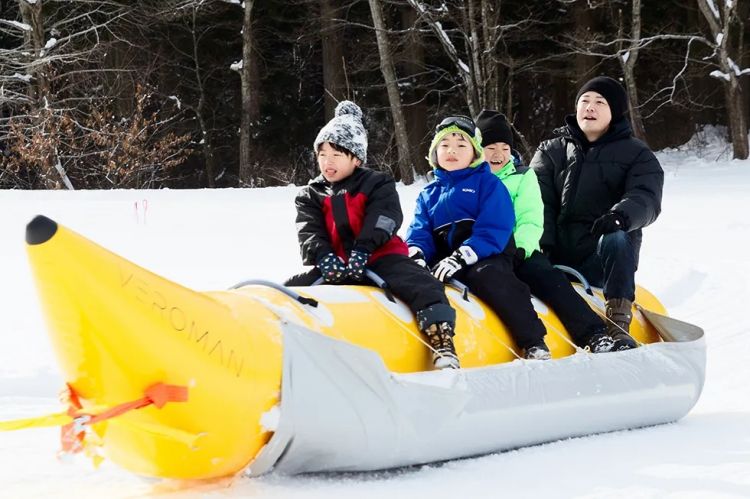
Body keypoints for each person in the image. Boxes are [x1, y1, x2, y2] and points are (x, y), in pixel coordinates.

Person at [285, 100, 461, 369]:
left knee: (422, 284)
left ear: (356, 158)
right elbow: (309, 230)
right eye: (322, 154)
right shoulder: (310, 195)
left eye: (336, 155)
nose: (327, 162)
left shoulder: (376, 182)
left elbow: (384, 216)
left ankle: (441, 340)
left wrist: (364, 249)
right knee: (290, 288)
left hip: (381, 256)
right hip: (335, 264)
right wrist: (323, 257)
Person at [529, 76, 664, 349]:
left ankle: (617, 323)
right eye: (584, 101)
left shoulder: (637, 154)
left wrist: (620, 216)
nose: (589, 107)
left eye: (599, 102)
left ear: (614, 111)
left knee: (616, 235)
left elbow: (645, 197)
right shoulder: (550, 150)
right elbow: (538, 202)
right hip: (555, 256)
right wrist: (540, 247)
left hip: (602, 259)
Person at [405, 115, 551, 360]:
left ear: (474, 154)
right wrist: (417, 254)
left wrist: (464, 255)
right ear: (434, 153)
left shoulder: (489, 184)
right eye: (445, 145)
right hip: (445, 257)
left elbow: (495, 226)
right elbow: (419, 231)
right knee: (416, 277)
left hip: (488, 254)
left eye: (461, 145)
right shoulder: (428, 193)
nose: (452, 150)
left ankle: (533, 340)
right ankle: (438, 341)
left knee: (489, 276)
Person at [475, 109, 614, 353]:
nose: (499, 154)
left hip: (520, 251)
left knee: (548, 279)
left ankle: (593, 332)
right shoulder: (470, 181)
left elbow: (530, 218)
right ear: (477, 149)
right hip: (485, 254)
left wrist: (522, 248)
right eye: (491, 148)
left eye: (505, 148)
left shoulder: (522, 176)